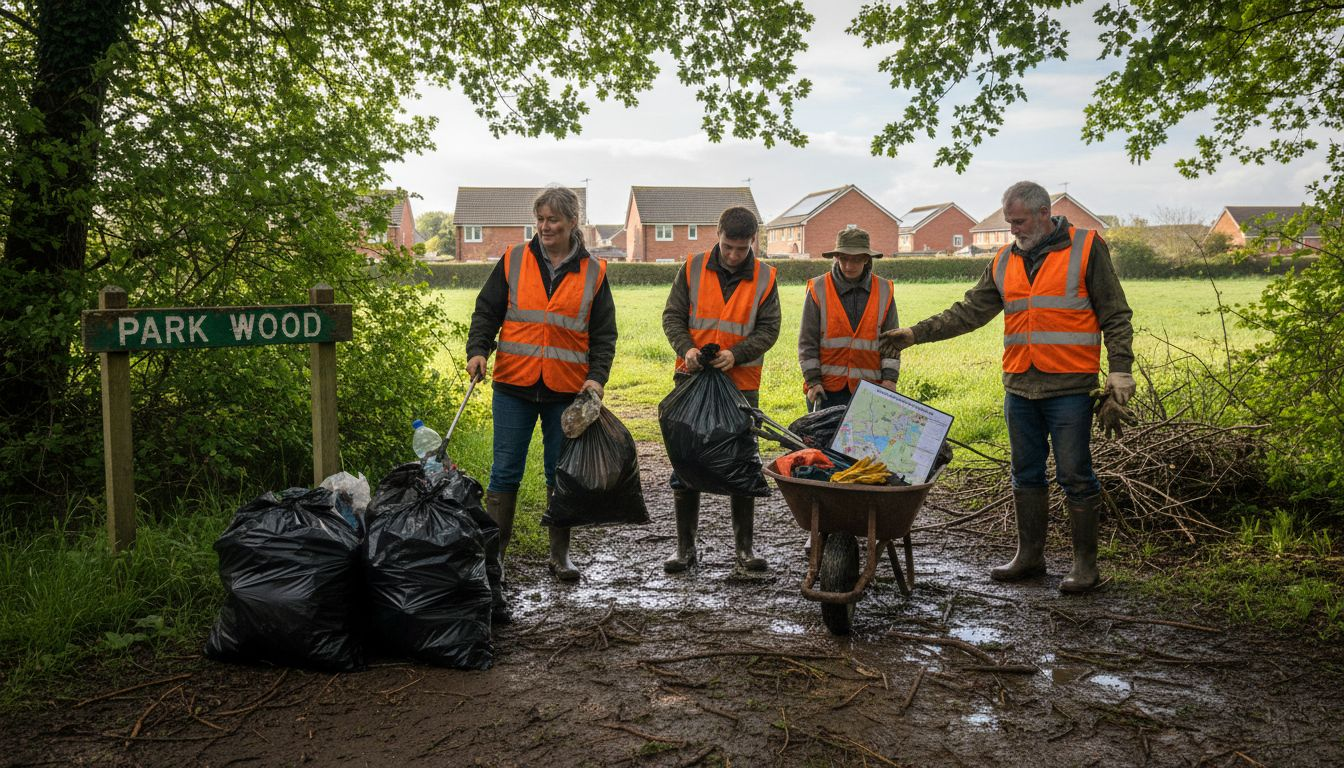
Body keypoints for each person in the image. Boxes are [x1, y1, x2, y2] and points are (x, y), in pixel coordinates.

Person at [881, 181, 1134, 593]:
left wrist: (1119, 369)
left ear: (1042, 213)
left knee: (1075, 475)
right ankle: (1029, 557)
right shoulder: (1003, 260)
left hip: (1070, 387)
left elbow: (1116, 313)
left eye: (1017, 222)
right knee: (1025, 474)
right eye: (1009, 222)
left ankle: (1085, 566)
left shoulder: (1087, 248)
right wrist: (916, 333)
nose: (1013, 229)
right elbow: (969, 312)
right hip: (1020, 386)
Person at [466, 186, 617, 589]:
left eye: (553, 220)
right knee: (505, 472)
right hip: (513, 384)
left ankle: (559, 555)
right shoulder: (514, 260)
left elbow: (604, 336)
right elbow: (487, 310)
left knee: (560, 473)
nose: (545, 227)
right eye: (541, 219)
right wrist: (478, 350)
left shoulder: (594, 272)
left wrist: (596, 378)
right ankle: (495, 560)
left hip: (565, 391)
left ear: (572, 223)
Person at [661, 206, 780, 574]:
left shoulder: (764, 277)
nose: (732, 255)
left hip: (740, 386)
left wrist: (737, 354)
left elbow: (769, 329)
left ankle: (745, 550)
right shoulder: (692, 268)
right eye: (728, 246)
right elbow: (672, 317)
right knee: (687, 461)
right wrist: (688, 350)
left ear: (753, 242)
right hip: (692, 380)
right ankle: (685, 549)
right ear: (718, 234)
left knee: (742, 464)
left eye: (741, 249)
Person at [798, 225, 901, 410]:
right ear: (836, 257)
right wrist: (813, 381)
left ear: (867, 259)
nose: (848, 266)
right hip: (826, 390)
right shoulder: (818, 288)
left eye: (856, 260)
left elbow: (891, 343)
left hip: (870, 388)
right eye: (843, 259)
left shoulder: (884, 290)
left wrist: (890, 380)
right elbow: (807, 342)